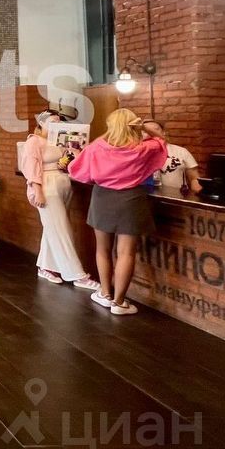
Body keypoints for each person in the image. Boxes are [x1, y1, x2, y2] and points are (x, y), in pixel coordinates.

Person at [69, 109, 167, 316]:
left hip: (102, 198)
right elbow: (161, 140)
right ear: (134, 126)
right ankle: (119, 302)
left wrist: (107, 134)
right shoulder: (143, 149)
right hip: (132, 199)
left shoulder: (96, 147)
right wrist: (144, 127)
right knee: (126, 253)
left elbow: (76, 171)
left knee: (102, 250)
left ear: (111, 126)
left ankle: (105, 294)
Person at [21, 110, 99, 290]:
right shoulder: (34, 141)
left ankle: (45, 267)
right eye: (52, 121)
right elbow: (30, 167)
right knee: (61, 229)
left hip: (63, 183)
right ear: (41, 123)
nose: (56, 124)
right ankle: (76, 274)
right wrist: (37, 190)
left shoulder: (59, 140)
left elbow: (67, 162)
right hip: (47, 186)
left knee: (54, 227)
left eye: (58, 121)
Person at [145, 121, 202, 197]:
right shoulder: (137, 153)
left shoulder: (181, 151)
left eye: (155, 129)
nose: (151, 133)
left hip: (177, 198)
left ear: (163, 133)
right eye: (146, 130)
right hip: (145, 199)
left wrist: (197, 196)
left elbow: (194, 178)